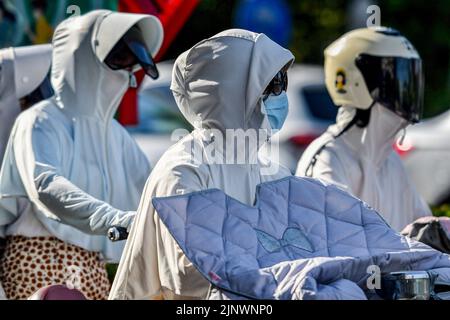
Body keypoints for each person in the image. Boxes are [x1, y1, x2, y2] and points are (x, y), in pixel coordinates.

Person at [110, 29, 295, 300]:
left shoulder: (271, 172)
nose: (280, 96)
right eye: (271, 85)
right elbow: (189, 276)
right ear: (232, 91)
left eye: (282, 83)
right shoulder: (184, 171)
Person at [0, 10, 163, 300]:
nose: (126, 72)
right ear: (82, 54)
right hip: (36, 263)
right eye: (119, 57)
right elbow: (46, 186)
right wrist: (113, 219)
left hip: (92, 270)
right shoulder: (40, 120)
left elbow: (155, 198)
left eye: (131, 63)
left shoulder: (117, 136)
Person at [296, 27, 430, 232]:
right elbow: (337, 245)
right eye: (394, 78)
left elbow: (425, 229)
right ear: (356, 81)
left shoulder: (390, 162)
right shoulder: (328, 158)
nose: (404, 90)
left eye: (409, 78)